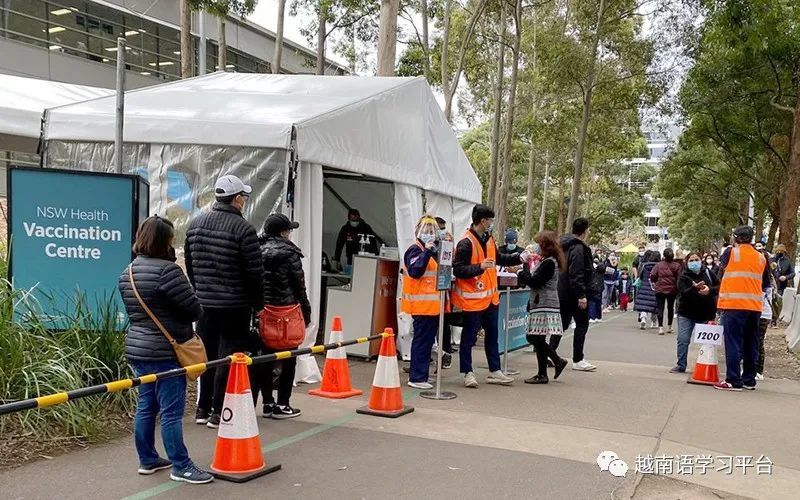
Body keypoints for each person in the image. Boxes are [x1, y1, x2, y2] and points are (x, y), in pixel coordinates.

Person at [119, 216, 213, 484]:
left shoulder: (128, 272)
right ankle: (180, 465)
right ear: (165, 241)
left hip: (138, 348)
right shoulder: (168, 272)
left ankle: (147, 459)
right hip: (166, 351)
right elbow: (195, 309)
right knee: (171, 411)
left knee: (146, 405)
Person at [185, 174, 264, 428]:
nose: (244, 201)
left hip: (204, 303)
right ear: (237, 199)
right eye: (244, 196)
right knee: (229, 356)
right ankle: (219, 411)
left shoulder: (195, 225)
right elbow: (254, 272)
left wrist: (199, 291)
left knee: (206, 355)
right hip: (235, 305)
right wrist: (258, 304)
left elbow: (190, 264)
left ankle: (201, 408)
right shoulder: (244, 229)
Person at [452, 204, 524, 388]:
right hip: (473, 301)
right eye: (490, 220)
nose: (492, 223)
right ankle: (467, 372)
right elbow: (458, 269)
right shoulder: (465, 243)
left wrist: (519, 257)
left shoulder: (489, 238)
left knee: (493, 336)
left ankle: (495, 370)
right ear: (482, 221)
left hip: (491, 299)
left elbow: (499, 258)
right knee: (469, 338)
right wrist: (480, 267)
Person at [256, 213, 310, 419]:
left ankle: (267, 402)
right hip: (288, 312)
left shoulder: (257, 250)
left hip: (265, 311)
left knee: (266, 358)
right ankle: (284, 403)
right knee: (289, 359)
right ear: (283, 232)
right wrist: (306, 310)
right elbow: (299, 286)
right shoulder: (290, 254)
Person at [714, 226, 770, 391]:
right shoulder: (761, 257)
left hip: (734, 304)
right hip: (754, 306)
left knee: (733, 342)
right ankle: (749, 380)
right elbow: (765, 283)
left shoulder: (731, 252)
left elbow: (720, 271)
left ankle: (733, 380)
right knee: (751, 343)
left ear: (736, 238)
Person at [516, 231, 569, 384]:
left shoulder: (548, 263)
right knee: (537, 337)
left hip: (544, 304)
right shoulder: (547, 261)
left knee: (534, 337)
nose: (536, 247)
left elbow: (535, 281)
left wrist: (520, 271)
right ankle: (543, 372)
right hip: (541, 303)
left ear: (545, 245)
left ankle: (555, 361)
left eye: (539, 244)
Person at [402, 216, 447, 389]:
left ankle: (422, 375)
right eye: (426, 231)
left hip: (432, 306)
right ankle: (417, 377)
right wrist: (427, 252)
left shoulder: (433, 251)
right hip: (421, 306)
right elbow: (415, 271)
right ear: (418, 231)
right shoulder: (415, 250)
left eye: (432, 231)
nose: (430, 234)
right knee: (421, 342)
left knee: (427, 342)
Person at [551, 217, 597, 372]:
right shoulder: (578, 248)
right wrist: (581, 295)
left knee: (561, 325)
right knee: (582, 324)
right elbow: (576, 272)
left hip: (562, 290)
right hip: (574, 293)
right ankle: (578, 359)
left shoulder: (562, 246)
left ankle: (549, 354)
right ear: (585, 231)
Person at [671, 252, 719, 374]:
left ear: (701, 260)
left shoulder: (708, 273)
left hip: (706, 313)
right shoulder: (683, 276)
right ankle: (681, 365)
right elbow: (683, 292)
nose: (694, 263)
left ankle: (706, 366)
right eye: (691, 261)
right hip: (686, 313)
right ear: (686, 263)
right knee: (683, 339)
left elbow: (720, 286)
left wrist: (709, 290)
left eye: (696, 260)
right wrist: (694, 288)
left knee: (707, 343)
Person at [435, 216, 455, 368]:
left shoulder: (447, 244)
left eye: (443, 228)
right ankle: (431, 356)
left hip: (443, 291)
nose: (442, 232)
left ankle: (446, 354)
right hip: (429, 296)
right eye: (439, 228)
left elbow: (452, 262)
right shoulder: (428, 246)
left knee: (444, 325)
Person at [650, 248, 683, 335]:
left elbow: (652, 275)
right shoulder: (677, 265)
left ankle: (660, 328)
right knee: (670, 308)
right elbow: (679, 278)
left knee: (660, 308)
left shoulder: (658, 265)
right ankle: (669, 326)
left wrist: (656, 281)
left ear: (664, 255)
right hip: (672, 290)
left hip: (660, 289)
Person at [634, 251, 660, 330]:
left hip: (644, 287)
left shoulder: (644, 266)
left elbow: (640, 276)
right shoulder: (659, 266)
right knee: (654, 306)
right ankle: (654, 322)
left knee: (644, 306)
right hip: (654, 288)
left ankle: (643, 319)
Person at [588, 256, 605, 323]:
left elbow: (602, 267)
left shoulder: (598, 267)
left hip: (594, 287)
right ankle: (598, 317)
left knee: (592, 302)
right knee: (597, 302)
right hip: (598, 286)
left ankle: (593, 317)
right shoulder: (595, 267)